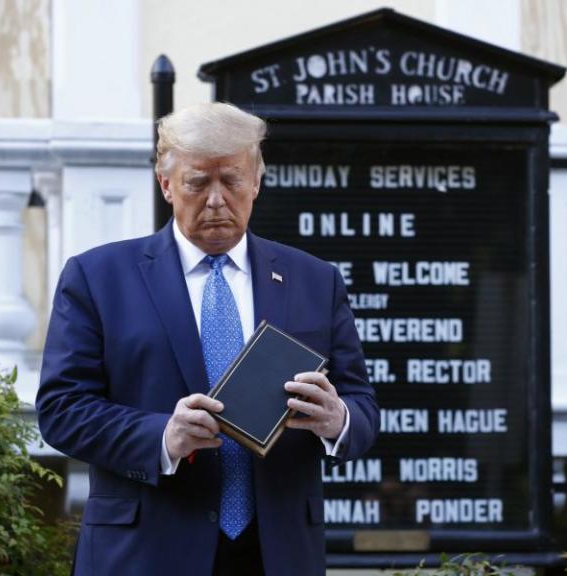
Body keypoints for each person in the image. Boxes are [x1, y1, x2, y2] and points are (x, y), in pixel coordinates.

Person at [36, 102, 379, 576]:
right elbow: (61, 410)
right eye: (198, 182)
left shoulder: (314, 281)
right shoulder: (98, 277)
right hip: (145, 551)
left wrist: (337, 419)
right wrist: (163, 436)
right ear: (167, 185)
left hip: (277, 552)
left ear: (256, 182)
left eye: (232, 180)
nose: (216, 199)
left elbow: (363, 405)